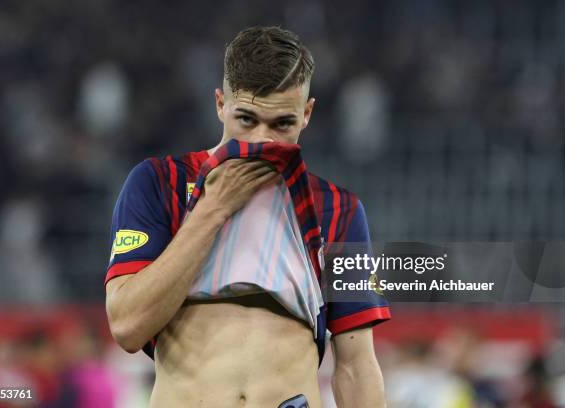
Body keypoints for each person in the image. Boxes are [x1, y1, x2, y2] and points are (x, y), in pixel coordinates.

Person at [105, 26, 390, 407]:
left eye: (282, 124)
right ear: (221, 104)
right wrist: (213, 209)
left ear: (306, 114)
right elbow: (126, 326)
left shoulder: (339, 210)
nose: (261, 141)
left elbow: (356, 365)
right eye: (247, 119)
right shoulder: (160, 183)